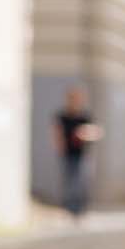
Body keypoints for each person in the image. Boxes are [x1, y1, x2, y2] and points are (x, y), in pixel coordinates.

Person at [55, 84, 98, 221]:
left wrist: (85, 134)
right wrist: (60, 148)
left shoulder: (85, 116)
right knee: (69, 183)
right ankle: (69, 210)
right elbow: (57, 133)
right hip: (68, 154)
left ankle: (80, 210)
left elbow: (96, 132)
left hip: (83, 154)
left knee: (82, 182)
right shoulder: (62, 115)